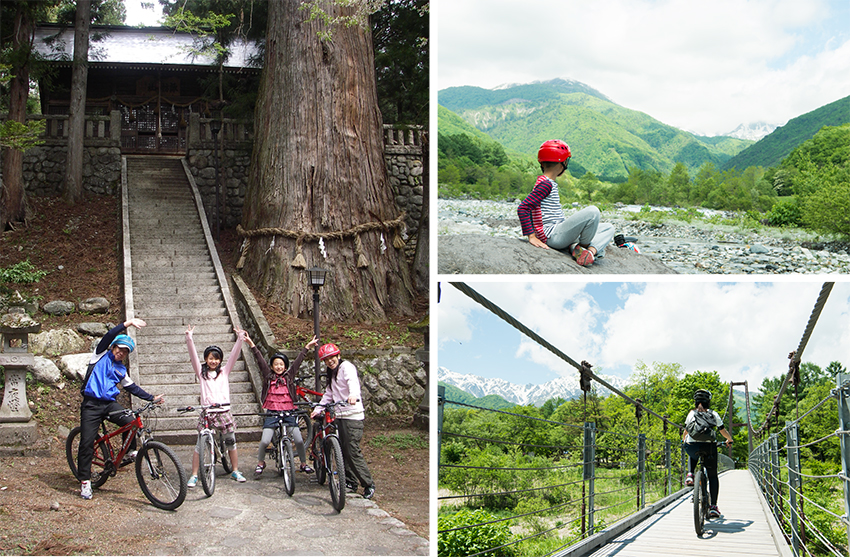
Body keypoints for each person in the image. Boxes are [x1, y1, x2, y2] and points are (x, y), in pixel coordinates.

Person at [77, 318, 163, 500]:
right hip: (91, 404)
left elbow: (132, 388)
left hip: (109, 404)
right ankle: (85, 482)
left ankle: (131, 450)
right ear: (113, 347)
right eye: (119, 349)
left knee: (131, 420)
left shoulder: (120, 369)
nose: (121, 353)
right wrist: (128, 323)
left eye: (125, 351)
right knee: (86, 443)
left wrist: (151, 398)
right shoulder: (99, 355)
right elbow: (108, 335)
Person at [517, 139, 616, 266]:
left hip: (559, 232)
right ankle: (584, 248)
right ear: (562, 163)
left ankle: (585, 251)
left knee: (608, 227)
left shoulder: (547, 182)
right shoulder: (546, 184)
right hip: (553, 236)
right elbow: (523, 208)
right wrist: (531, 236)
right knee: (593, 212)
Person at [246, 333, 320, 479]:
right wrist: (251, 344)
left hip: (289, 412)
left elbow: (298, 362)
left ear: (285, 366)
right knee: (264, 441)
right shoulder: (268, 376)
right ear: (272, 366)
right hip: (272, 412)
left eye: (281, 364)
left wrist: (307, 348)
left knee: (298, 439)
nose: (279, 367)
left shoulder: (289, 376)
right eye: (276, 364)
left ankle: (303, 463)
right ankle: (261, 463)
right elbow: (260, 360)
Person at [311, 343, 376, 499]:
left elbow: (352, 382)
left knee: (351, 450)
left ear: (338, 356)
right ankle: (349, 482)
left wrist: (353, 395)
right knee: (342, 450)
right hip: (339, 416)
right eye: (326, 360)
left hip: (352, 416)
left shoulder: (346, 367)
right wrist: (318, 409)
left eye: (331, 358)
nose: (329, 361)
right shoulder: (332, 374)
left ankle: (368, 484)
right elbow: (328, 394)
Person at [185, 324, 248, 485]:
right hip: (207, 412)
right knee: (199, 444)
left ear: (220, 360)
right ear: (206, 359)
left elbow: (234, 355)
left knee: (231, 441)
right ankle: (194, 475)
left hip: (223, 411)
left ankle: (235, 470)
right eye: (210, 358)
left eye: (216, 358)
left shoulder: (224, 371)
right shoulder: (201, 373)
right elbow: (192, 356)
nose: (213, 361)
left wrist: (240, 338)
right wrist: (189, 338)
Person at [682, 389, 733, 518]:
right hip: (709, 447)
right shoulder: (713, 414)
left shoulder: (691, 414)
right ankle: (713, 507)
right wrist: (729, 439)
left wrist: (684, 441)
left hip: (692, 447)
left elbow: (686, 431)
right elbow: (722, 430)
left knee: (691, 448)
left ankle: (690, 474)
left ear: (696, 401)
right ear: (708, 402)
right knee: (712, 476)